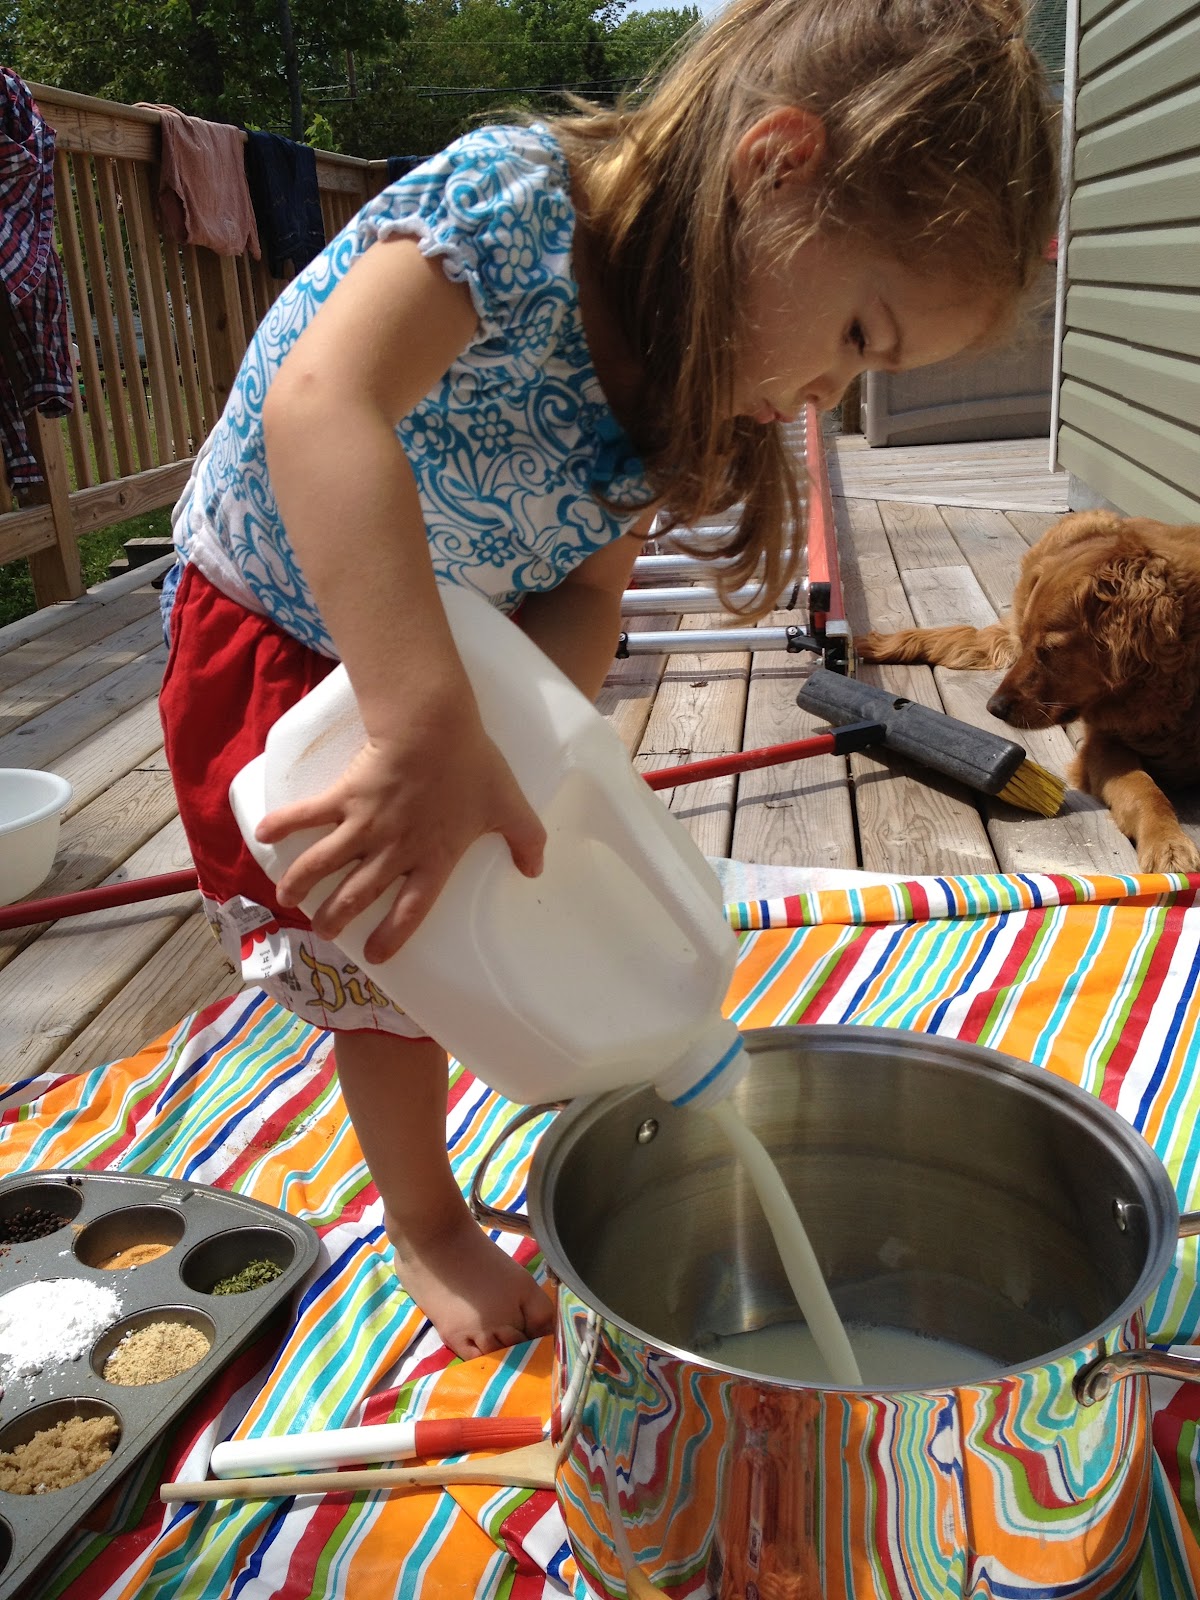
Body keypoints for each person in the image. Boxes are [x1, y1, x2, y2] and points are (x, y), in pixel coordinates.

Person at [159, 0, 1059, 1359]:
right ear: (777, 164)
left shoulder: (679, 367)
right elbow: (320, 408)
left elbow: (585, 588)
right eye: (861, 336)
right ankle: (424, 1220)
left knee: (482, 893)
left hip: (465, 654)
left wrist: (522, 741)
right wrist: (424, 716)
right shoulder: (516, 210)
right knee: (380, 954)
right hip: (293, 628)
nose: (831, 393)